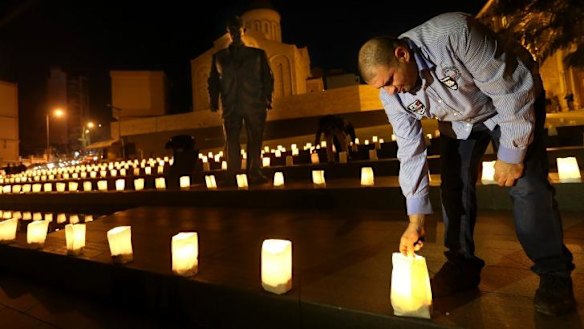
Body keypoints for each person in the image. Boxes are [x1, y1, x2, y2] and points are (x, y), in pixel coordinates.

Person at [358, 12, 575, 316]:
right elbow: (410, 150)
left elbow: (509, 90)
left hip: (510, 98)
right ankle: (461, 265)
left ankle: (554, 274)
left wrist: (510, 157)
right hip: (460, 120)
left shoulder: (454, 34)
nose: (391, 92)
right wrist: (415, 220)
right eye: (383, 87)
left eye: (391, 81)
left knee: (526, 185)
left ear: (402, 54)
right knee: (454, 185)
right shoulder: (391, 94)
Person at [208, 15, 274, 185]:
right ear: (228, 33)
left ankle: (254, 171)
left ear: (243, 31)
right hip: (230, 105)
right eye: (231, 31)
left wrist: (268, 97)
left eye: (238, 30)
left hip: (255, 103)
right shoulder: (219, 57)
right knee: (231, 140)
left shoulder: (257, 54)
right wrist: (213, 99)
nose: (235, 34)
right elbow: (213, 80)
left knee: (255, 139)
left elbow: (267, 77)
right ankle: (233, 174)